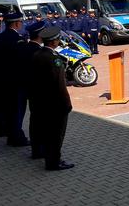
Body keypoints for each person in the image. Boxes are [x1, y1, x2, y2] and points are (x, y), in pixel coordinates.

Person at [31, 26, 74, 171]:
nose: (59, 41)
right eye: (57, 39)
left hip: (41, 101)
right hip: (55, 103)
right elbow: (60, 84)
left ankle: (50, 159)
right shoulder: (54, 59)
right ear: (54, 42)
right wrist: (66, 103)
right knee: (56, 134)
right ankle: (54, 161)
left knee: (47, 132)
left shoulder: (37, 54)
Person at [0, 12, 30, 147]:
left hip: (4, 79)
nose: (21, 24)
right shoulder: (17, 39)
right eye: (20, 22)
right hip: (16, 81)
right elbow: (22, 60)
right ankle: (16, 137)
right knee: (17, 110)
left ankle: (11, 135)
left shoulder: (0, 37)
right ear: (16, 23)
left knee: (9, 109)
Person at [22, 20, 47, 159]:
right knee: (42, 122)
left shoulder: (25, 48)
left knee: (35, 120)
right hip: (40, 91)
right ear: (40, 34)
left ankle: (36, 149)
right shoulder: (39, 52)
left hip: (30, 90)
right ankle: (40, 149)